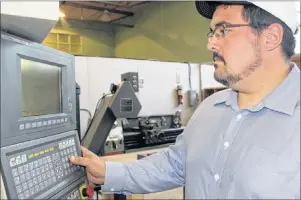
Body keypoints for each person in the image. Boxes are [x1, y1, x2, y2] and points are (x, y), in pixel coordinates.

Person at [70, 1, 300, 199]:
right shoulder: (211, 108)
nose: (211, 44)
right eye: (212, 32)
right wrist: (107, 172)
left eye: (224, 30)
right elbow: (175, 165)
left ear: (271, 37)